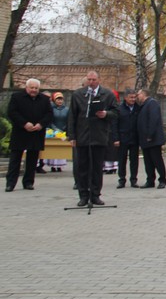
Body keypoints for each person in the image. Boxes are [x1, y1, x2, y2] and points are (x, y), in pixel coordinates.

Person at [67, 71, 118, 206]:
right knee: (82, 167)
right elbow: (72, 115)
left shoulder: (107, 94)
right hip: (82, 135)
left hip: (99, 135)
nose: (91, 82)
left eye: (94, 79)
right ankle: (83, 195)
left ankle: (95, 194)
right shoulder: (78, 94)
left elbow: (116, 112)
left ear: (99, 80)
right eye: (89, 79)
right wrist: (71, 135)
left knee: (96, 167)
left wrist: (106, 114)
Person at [5, 79, 53, 192]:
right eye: (32, 88)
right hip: (20, 132)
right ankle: (10, 183)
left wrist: (41, 124)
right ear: (26, 88)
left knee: (32, 160)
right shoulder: (17, 97)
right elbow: (12, 112)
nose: (34, 90)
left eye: (36, 88)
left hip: (36, 133)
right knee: (15, 159)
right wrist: (24, 123)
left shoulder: (44, 99)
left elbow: (49, 114)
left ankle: (28, 182)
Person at [136, 89, 166, 189]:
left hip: (153, 139)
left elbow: (153, 120)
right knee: (148, 161)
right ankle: (150, 180)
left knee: (157, 160)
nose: (137, 96)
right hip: (145, 139)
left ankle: (162, 180)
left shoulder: (152, 103)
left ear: (144, 94)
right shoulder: (144, 105)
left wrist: (150, 134)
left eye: (139, 94)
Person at [115, 89, 140, 188]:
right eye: (131, 97)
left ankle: (133, 180)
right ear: (125, 98)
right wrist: (116, 138)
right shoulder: (119, 109)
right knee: (122, 160)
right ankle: (122, 179)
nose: (133, 99)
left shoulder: (138, 108)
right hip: (123, 138)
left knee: (134, 160)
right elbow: (115, 124)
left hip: (134, 138)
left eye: (134, 97)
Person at [45, 92, 69, 172]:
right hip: (53, 131)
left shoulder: (66, 109)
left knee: (62, 147)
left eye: (61, 99)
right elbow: (50, 120)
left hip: (63, 131)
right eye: (58, 99)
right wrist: (55, 129)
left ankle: (60, 165)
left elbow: (68, 120)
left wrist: (65, 128)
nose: (60, 101)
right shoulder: (51, 109)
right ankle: (53, 165)